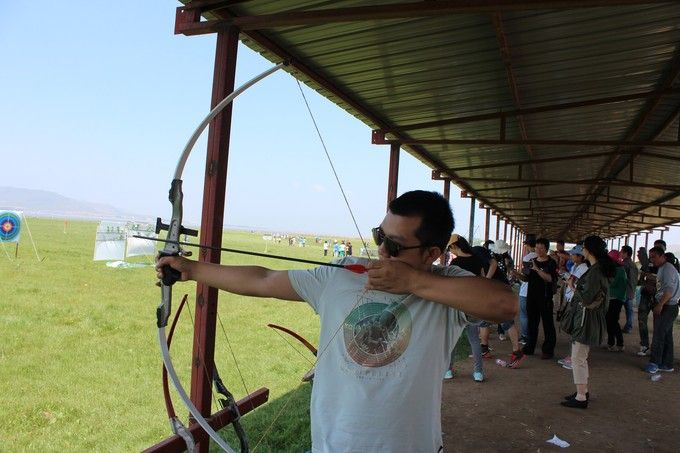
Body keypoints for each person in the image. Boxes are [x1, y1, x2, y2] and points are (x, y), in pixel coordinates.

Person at [156, 190, 517, 452]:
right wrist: (191, 269)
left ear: (432, 254)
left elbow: (505, 305)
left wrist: (412, 282)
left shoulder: (448, 286)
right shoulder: (343, 274)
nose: (381, 251)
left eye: (394, 246)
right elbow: (264, 279)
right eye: (379, 237)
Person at [559, 236, 615, 409]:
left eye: (583, 247)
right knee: (580, 356)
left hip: (586, 317)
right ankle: (582, 391)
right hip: (590, 317)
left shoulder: (595, 271)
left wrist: (572, 287)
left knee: (578, 357)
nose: (581, 250)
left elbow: (586, 297)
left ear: (589, 250)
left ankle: (581, 396)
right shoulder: (598, 269)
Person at [446, 234, 486, 382]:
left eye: (450, 248)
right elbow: (483, 281)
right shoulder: (478, 260)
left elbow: (449, 285)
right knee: (474, 339)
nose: (451, 252)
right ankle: (478, 372)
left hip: (457, 304)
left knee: (453, 338)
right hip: (473, 304)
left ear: (455, 246)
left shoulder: (455, 263)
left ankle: (448, 370)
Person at [644, 246, 680, 374]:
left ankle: (655, 362)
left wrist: (660, 304)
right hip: (669, 305)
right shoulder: (663, 268)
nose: (651, 259)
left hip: (668, 306)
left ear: (662, 256)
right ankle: (667, 363)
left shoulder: (668, 269)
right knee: (666, 335)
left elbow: (669, 291)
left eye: (654, 257)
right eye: (650, 257)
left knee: (659, 335)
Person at [522, 237, 558, 359]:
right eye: (536, 247)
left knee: (548, 324)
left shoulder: (551, 263)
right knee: (532, 323)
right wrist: (515, 273)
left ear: (546, 249)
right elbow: (526, 278)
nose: (538, 249)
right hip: (531, 297)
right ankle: (529, 347)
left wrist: (536, 269)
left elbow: (549, 278)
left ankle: (548, 350)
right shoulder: (531, 261)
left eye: (541, 247)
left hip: (545, 297)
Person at [557, 244, 589, 370]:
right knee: (573, 328)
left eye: (573, 255)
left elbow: (576, 285)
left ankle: (576, 359)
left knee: (576, 329)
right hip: (572, 299)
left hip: (577, 301)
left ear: (580, 256)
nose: (571, 256)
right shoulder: (577, 266)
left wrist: (569, 283)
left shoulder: (583, 268)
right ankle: (573, 356)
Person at [605, 250, 627, 352]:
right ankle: (611, 342)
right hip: (611, 298)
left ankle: (619, 343)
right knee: (609, 321)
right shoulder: (615, 269)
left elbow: (611, 284)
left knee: (613, 321)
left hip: (616, 299)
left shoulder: (620, 271)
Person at [636, 247, 656, 356]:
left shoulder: (663, 265)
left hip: (657, 297)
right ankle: (644, 344)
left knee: (658, 323)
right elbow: (639, 282)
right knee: (642, 321)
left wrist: (650, 276)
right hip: (645, 295)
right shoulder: (646, 265)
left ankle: (656, 346)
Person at [620, 245, 639, 334]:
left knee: (616, 309)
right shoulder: (633, 265)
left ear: (626, 253)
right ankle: (629, 327)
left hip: (623, 291)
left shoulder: (623, 264)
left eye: (621, 251)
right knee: (629, 311)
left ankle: (615, 326)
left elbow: (621, 279)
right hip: (631, 291)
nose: (620, 253)